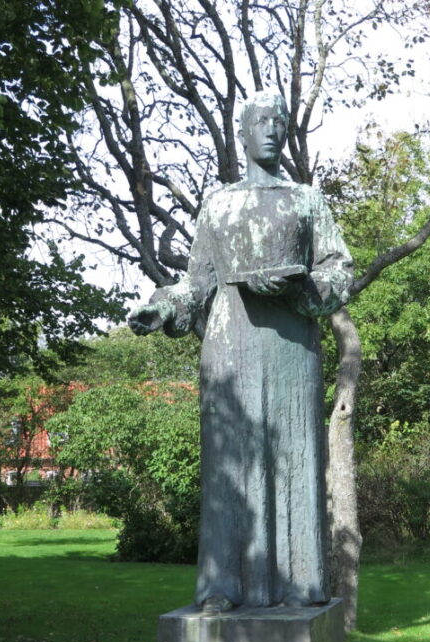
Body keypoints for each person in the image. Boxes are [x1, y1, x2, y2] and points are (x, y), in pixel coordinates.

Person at [129, 90, 353, 614]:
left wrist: (299, 290)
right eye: (262, 123)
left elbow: (339, 271)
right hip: (230, 349)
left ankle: (300, 585)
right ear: (245, 134)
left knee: (293, 457)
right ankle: (222, 587)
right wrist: (163, 307)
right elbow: (198, 282)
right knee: (230, 465)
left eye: (280, 122)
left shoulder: (307, 201)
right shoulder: (220, 204)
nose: (272, 130)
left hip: (292, 346)